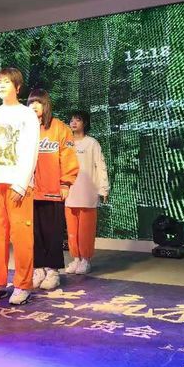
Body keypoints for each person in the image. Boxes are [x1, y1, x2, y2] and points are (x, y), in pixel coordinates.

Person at [0, 67, 39, 305]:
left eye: (7, 82)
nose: (2, 85)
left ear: (17, 87)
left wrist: (21, 183)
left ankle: (23, 284)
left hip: (18, 184)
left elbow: (31, 149)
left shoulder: (27, 114)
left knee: (21, 236)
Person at [27, 90, 79, 290]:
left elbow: (68, 158)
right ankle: (38, 269)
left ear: (46, 105)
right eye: (31, 102)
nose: (34, 106)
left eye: (38, 102)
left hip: (52, 190)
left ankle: (53, 270)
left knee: (53, 232)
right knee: (34, 234)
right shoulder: (25, 128)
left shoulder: (60, 128)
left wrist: (65, 183)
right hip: (29, 191)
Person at [65, 110, 109, 275]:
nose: (74, 123)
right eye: (72, 120)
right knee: (72, 229)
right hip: (70, 192)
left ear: (85, 123)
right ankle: (76, 258)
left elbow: (100, 165)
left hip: (87, 192)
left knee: (86, 229)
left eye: (78, 120)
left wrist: (104, 188)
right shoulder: (67, 143)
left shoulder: (92, 143)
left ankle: (85, 259)